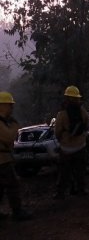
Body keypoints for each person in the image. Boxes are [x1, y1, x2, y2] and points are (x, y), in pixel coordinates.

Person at [0, 91, 32, 221]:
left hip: (3, 158)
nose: (12, 108)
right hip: (2, 160)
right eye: (9, 105)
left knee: (1, 187)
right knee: (12, 185)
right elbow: (9, 137)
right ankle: (17, 212)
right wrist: (15, 126)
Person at [54, 85, 89, 200]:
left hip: (66, 148)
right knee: (80, 171)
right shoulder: (83, 112)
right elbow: (87, 127)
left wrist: (62, 140)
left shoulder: (62, 114)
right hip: (80, 146)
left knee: (64, 172)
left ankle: (60, 193)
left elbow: (57, 131)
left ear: (67, 97)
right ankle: (81, 190)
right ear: (77, 98)